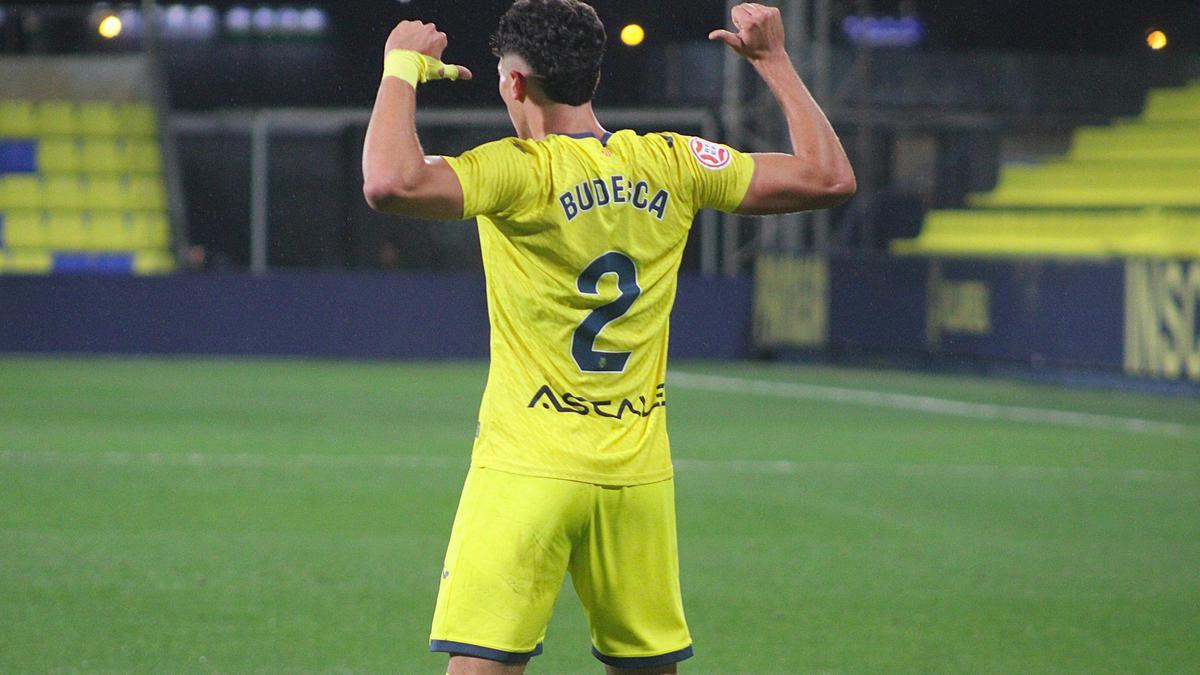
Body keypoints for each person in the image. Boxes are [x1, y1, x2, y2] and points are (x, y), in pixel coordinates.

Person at [362, 1, 854, 672]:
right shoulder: (671, 163)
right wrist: (774, 62)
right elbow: (829, 177)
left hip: (527, 466)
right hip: (637, 476)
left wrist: (398, 71)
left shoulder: (518, 172)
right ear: (594, 77)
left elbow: (390, 180)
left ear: (513, 84)